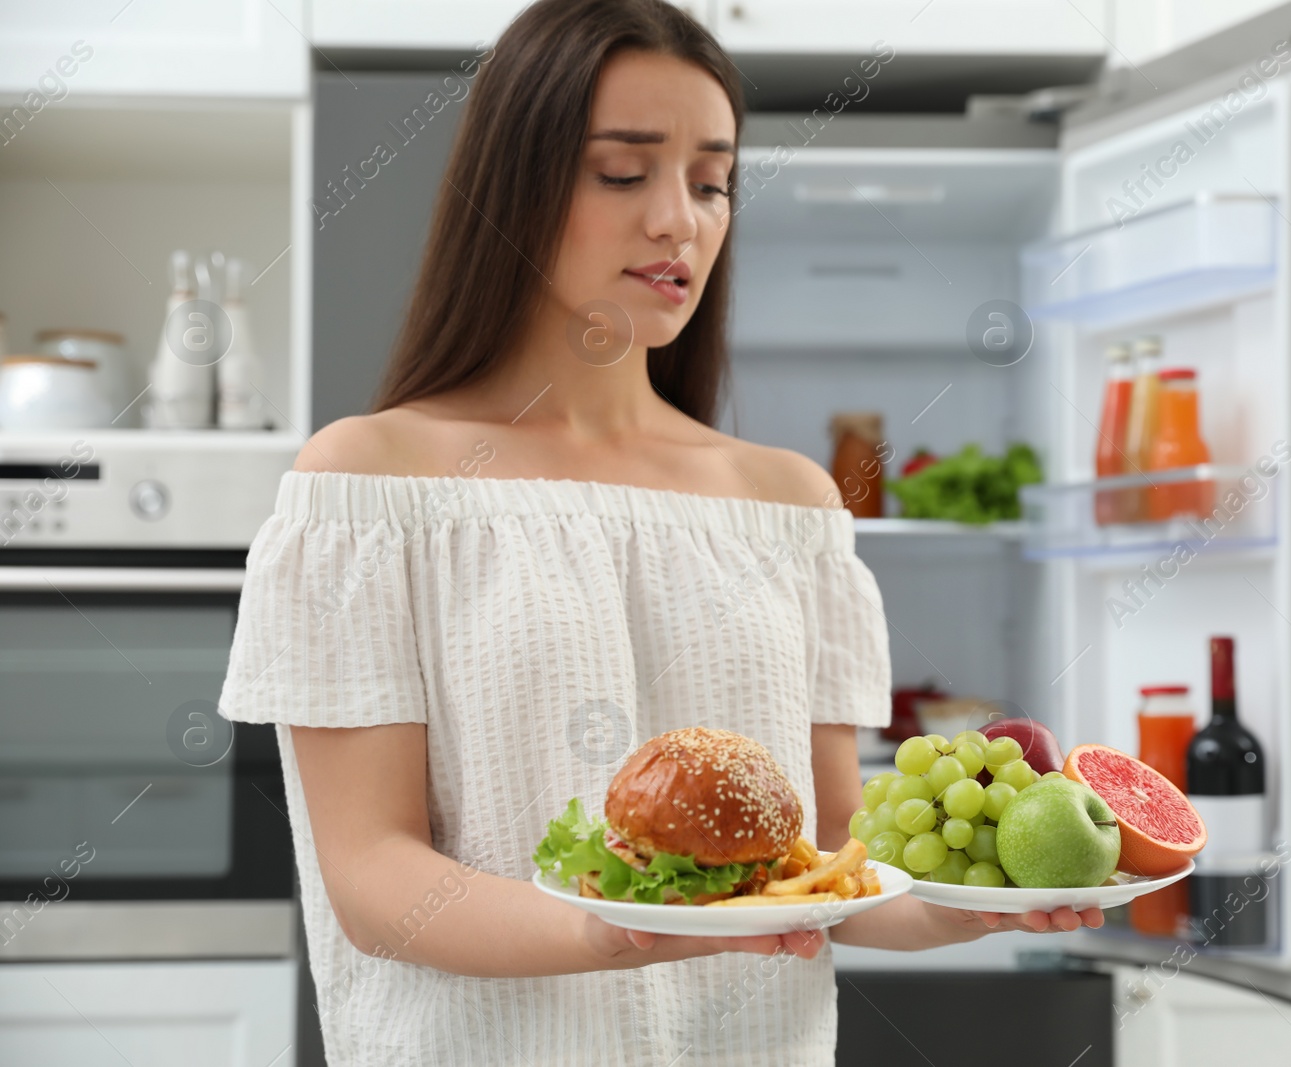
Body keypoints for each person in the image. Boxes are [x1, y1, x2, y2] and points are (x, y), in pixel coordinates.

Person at [218, 0, 1103, 1063]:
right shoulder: (372, 483)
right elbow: (371, 878)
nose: (679, 219)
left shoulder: (788, 504)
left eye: (713, 180)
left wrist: (968, 906)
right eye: (623, 172)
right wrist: (608, 929)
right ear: (515, 185)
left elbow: (831, 868)